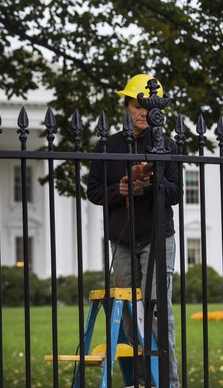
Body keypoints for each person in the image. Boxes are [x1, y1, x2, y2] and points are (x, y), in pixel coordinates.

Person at [87, 74, 180, 387]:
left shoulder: (167, 145)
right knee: (128, 316)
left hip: (158, 237)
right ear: (126, 107)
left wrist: (153, 184)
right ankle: (140, 381)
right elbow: (95, 192)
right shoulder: (107, 146)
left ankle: (167, 383)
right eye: (137, 105)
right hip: (122, 240)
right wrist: (122, 190)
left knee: (157, 316)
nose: (142, 111)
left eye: (148, 106)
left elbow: (176, 193)